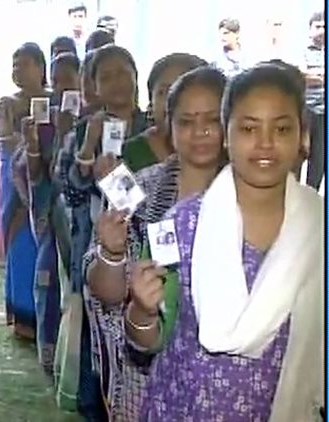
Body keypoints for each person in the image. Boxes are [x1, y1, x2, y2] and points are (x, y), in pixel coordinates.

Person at [128, 64, 324, 421]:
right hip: (181, 408)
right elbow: (147, 341)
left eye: (281, 128)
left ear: (303, 137)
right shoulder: (183, 224)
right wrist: (141, 309)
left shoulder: (318, 230)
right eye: (249, 128)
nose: (265, 142)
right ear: (226, 136)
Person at [84, 66, 227, 420]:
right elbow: (104, 292)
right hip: (146, 379)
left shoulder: (252, 196)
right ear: (169, 124)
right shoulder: (137, 189)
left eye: (212, 120)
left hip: (226, 383)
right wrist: (113, 253)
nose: (200, 133)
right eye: (186, 121)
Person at [55, 44, 148, 421]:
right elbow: (70, 191)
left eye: (123, 71)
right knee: (97, 359)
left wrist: (114, 179)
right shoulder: (82, 132)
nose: (117, 82)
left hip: (145, 259)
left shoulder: (156, 129)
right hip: (97, 260)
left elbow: (147, 202)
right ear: (92, 85)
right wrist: (90, 145)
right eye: (105, 75)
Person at [13, 52, 79, 376]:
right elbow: (31, 171)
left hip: (81, 224)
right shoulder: (43, 118)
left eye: (70, 78)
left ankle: (76, 361)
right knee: (46, 281)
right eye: (58, 79)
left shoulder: (92, 118)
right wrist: (33, 143)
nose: (63, 85)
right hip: (51, 219)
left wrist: (71, 135)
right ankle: (49, 353)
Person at [0, 42, 51, 340]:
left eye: (25, 64)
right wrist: (28, 146)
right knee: (21, 246)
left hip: (45, 184)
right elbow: (5, 140)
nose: (18, 70)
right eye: (15, 65)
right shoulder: (8, 103)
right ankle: (23, 318)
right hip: (16, 187)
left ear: (41, 68)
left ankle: (45, 316)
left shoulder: (55, 102)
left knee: (42, 247)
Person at [122, 53, 208, 172]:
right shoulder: (131, 152)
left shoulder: (219, 147)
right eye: (163, 92)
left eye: (182, 90)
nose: (171, 100)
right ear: (151, 102)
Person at [303, 11, 325, 189]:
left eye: (324, 27)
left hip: (324, 114)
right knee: (299, 156)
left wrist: (315, 75)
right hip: (307, 112)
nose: (322, 30)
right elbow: (300, 75)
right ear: (310, 30)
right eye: (317, 27)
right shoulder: (302, 51)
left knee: (319, 161)